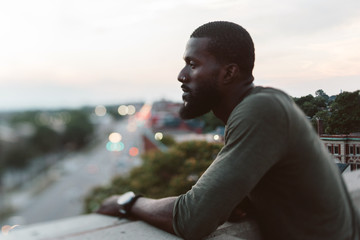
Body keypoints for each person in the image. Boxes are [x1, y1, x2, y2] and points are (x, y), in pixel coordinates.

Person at [96, 21, 360, 240]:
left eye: (193, 63)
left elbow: (192, 218)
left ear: (229, 73)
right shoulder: (264, 105)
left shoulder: (260, 110)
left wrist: (128, 201)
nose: (181, 75)